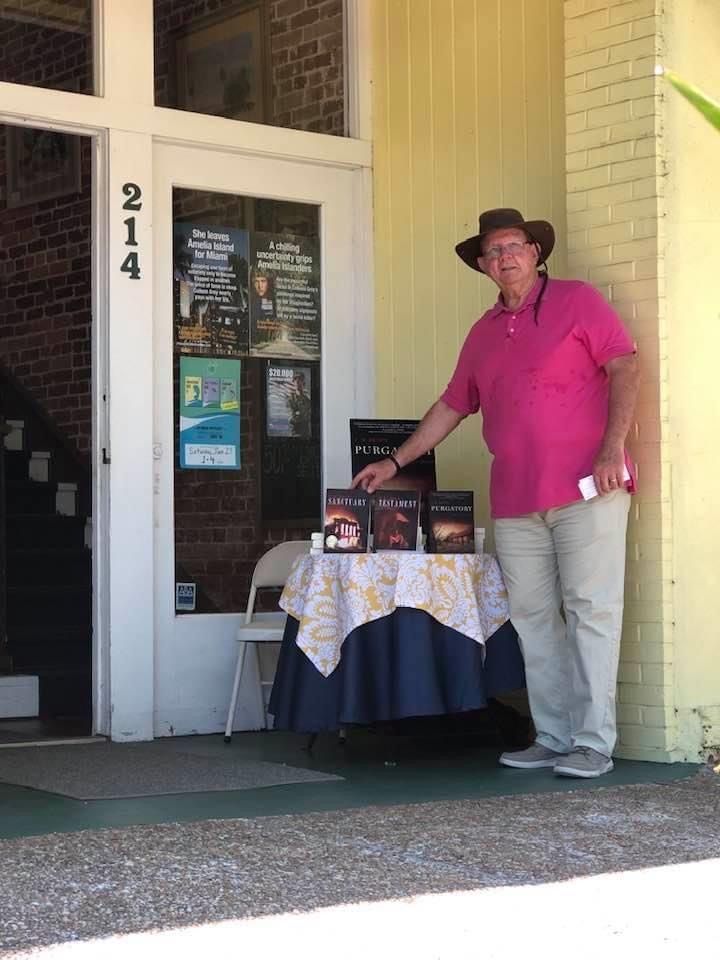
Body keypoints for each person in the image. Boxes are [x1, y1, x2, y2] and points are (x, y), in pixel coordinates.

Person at [352, 208, 639, 779]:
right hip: (514, 499)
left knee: (591, 612)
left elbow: (625, 367)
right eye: (494, 251)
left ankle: (593, 744)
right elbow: (453, 405)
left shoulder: (577, 301)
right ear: (483, 266)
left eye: (515, 245)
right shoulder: (483, 332)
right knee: (533, 619)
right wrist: (394, 460)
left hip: (588, 488)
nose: (505, 256)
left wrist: (613, 448)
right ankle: (553, 735)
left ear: (536, 252)